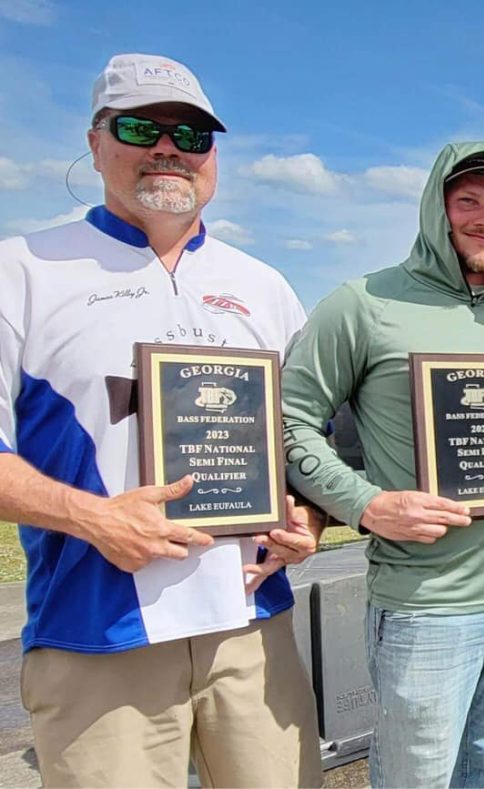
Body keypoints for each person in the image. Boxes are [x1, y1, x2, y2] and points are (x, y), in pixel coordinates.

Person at [0, 53, 321, 787]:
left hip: (251, 625)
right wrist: (93, 517)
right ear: (96, 141)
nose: (169, 147)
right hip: (99, 635)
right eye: (142, 126)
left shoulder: (263, 285)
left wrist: (307, 514)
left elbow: (301, 441)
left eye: (194, 134)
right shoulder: (22, 270)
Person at [280, 142, 484, 788]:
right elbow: (291, 417)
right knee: (417, 777)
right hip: (428, 601)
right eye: (468, 201)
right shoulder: (362, 303)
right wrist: (364, 503)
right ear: (436, 208)